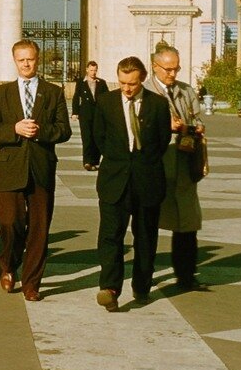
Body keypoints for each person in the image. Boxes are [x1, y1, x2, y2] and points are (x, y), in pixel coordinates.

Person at [0, 40, 71, 301]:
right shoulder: (2, 93)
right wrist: (14, 129)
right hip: (11, 168)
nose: (26, 64)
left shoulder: (53, 92)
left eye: (30, 59)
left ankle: (32, 283)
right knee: (9, 222)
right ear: (14, 61)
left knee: (39, 229)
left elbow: (64, 129)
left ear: (38, 59)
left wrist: (40, 131)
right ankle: (9, 264)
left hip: (41, 168)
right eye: (21, 59)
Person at [92, 56, 172, 312]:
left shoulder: (158, 104)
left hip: (147, 181)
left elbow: (162, 141)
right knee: (110, 237)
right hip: (114, 180)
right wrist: (117, 160)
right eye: (122, 82)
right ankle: (110, 288)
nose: (126, 88)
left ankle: (142, 286)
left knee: (145, 238)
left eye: (132, 84)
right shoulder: (105, 102)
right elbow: (99, 136)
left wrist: (142, 162)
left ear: (143, 79)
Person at [148, 45, 207, 291]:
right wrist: (166, 125)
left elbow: (197, 118)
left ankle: (186, 275)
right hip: (156, 167)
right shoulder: (145, 92)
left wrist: (196, 127)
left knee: (187, 223)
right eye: (168, 69)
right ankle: (144, 276)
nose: (172, 74)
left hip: (184, 166)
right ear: (155, 66)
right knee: (149, 224)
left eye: (176, 68)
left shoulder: (186, 91)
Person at [71, 60, 108, 171]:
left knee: (97, 137)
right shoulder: (81, 82)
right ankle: (87, 161)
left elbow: (107, 98)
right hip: (85, 114)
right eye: (91, 70)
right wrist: (75, 112)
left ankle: (95, 161)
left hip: (98, 114)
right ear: (87, 70)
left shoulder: (101, 83)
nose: (93, 72)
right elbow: (76, 97)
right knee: (87, 137)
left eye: (95, 70)